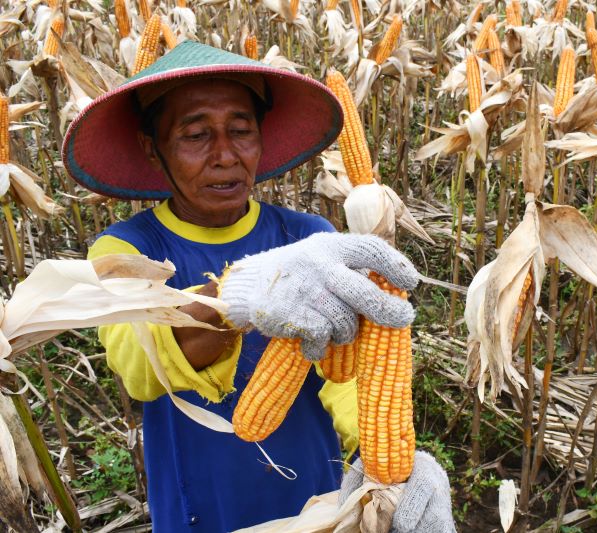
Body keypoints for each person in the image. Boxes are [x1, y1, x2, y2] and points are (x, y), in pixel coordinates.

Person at [62, 41, 455, 532]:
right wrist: (241, 293)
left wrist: (393, 467)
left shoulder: (311, 238)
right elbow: (139, 365)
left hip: (314, 492)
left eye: (242, 131)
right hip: (199, 498)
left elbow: (349, 373)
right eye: (196, 135)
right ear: (151, 147)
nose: (225, 155)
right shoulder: (125, 250)